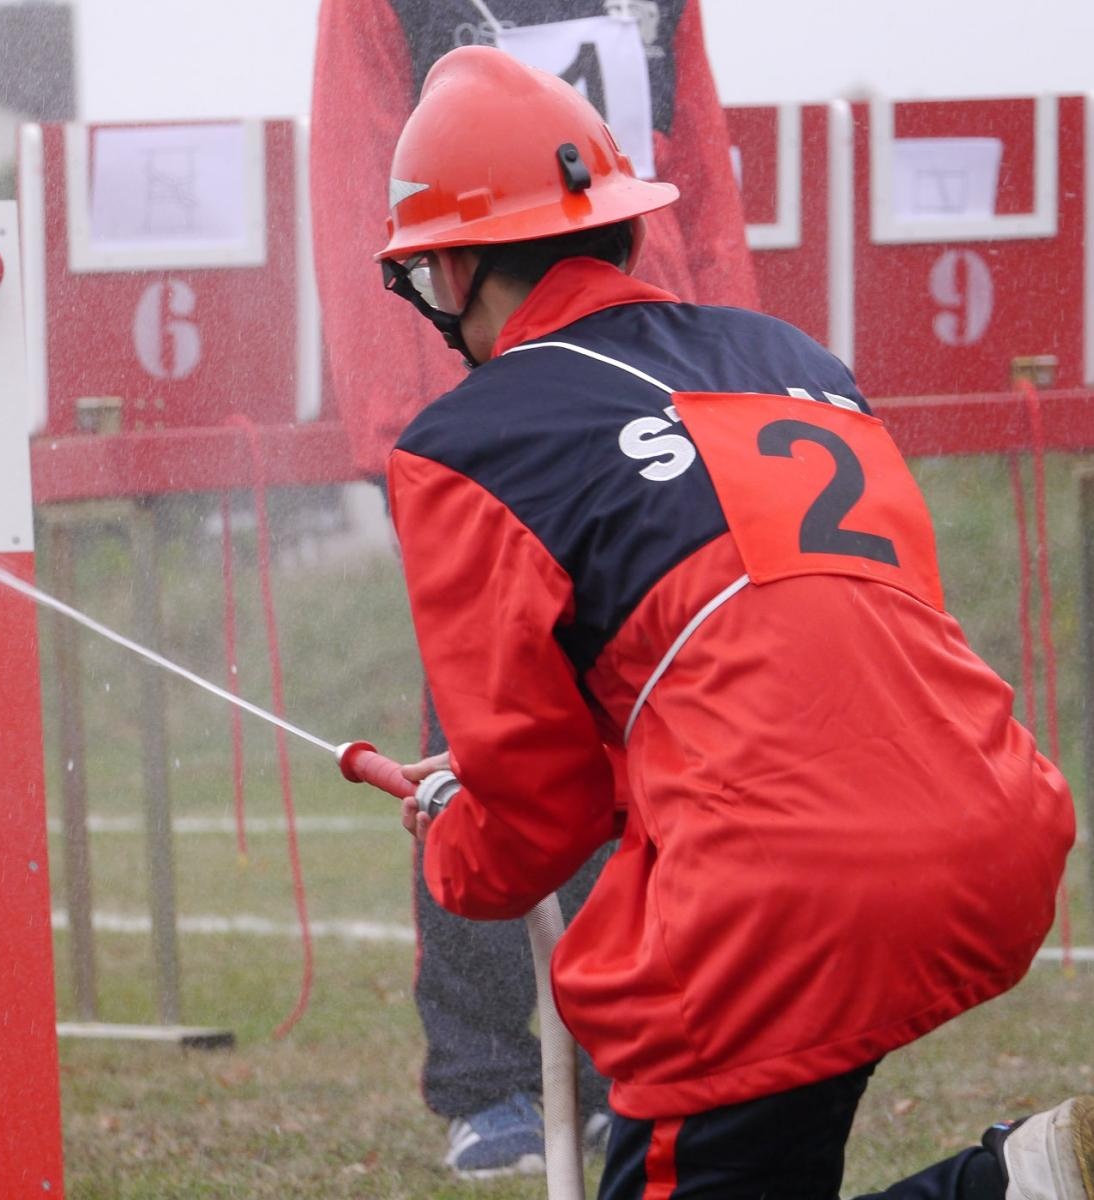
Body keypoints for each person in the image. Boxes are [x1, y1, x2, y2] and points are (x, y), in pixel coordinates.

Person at [378, 44, 1094, 1200]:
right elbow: (767, 646)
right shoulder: (790, 357)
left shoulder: (469, 444)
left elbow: (537, 812)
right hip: (989, 829)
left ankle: (1011, 1192)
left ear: (458, 266)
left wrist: (452, 837)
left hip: (779, 901)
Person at [310, 0, 758, 1175]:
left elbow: (695, 166)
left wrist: (729, 351)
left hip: (647, 356)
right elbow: (359, 173)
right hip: (481, 367)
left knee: (647, 715)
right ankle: (485, 1075)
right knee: (482, 730)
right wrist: (419, 425)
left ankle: (630, 1052)